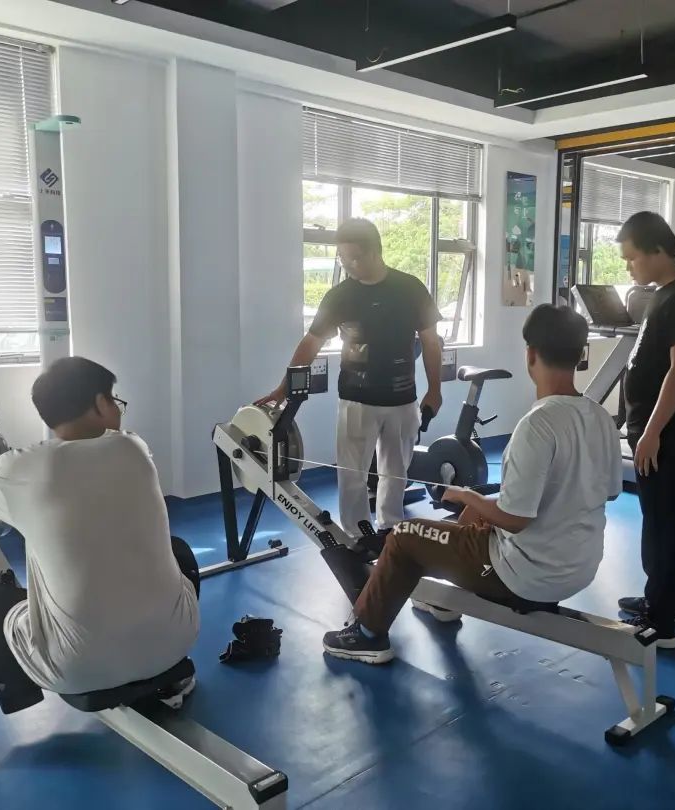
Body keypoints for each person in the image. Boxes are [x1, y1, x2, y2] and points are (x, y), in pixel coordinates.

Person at [0, 357, 201, 770]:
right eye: (114, 399)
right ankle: (170, 681)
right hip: (176, 642)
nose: (117, 407)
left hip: (77, 666)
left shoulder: (18, 467)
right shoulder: (135, 448)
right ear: (100, 404)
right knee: (178, 550)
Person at [322, 304, 622, 663]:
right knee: (465, 523)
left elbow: (515, 519)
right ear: (580, 355)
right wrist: (477, 509)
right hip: (580, 569)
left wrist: (468, 496)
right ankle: (443, 601)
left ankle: (367, 635)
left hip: (525, 577)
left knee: (404, 536)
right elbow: (608, 491)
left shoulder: (537, 425)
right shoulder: (600, 417)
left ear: (530, 354)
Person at [257, 218, 443, 534]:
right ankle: (357, 534)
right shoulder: (340, 296)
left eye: (354, 258)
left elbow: (430, 341)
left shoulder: (410, 288)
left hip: (402, 400)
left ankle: (391, 528)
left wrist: (435, 390)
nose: (348, 265)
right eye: (343, 258)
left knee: (396, 473)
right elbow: (312, 342)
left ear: (375, 252)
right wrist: (284, 386)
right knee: (352, 475)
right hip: (356, 401)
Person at [616, 211, 675, 649]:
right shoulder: (664, 293)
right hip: (656, 427)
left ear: (657, 250)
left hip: (666, 431)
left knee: (662, 519)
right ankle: (671, 600)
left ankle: (661, 621)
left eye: (632, 258)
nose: (628, 266)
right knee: (668, 513)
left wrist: (652, 431)